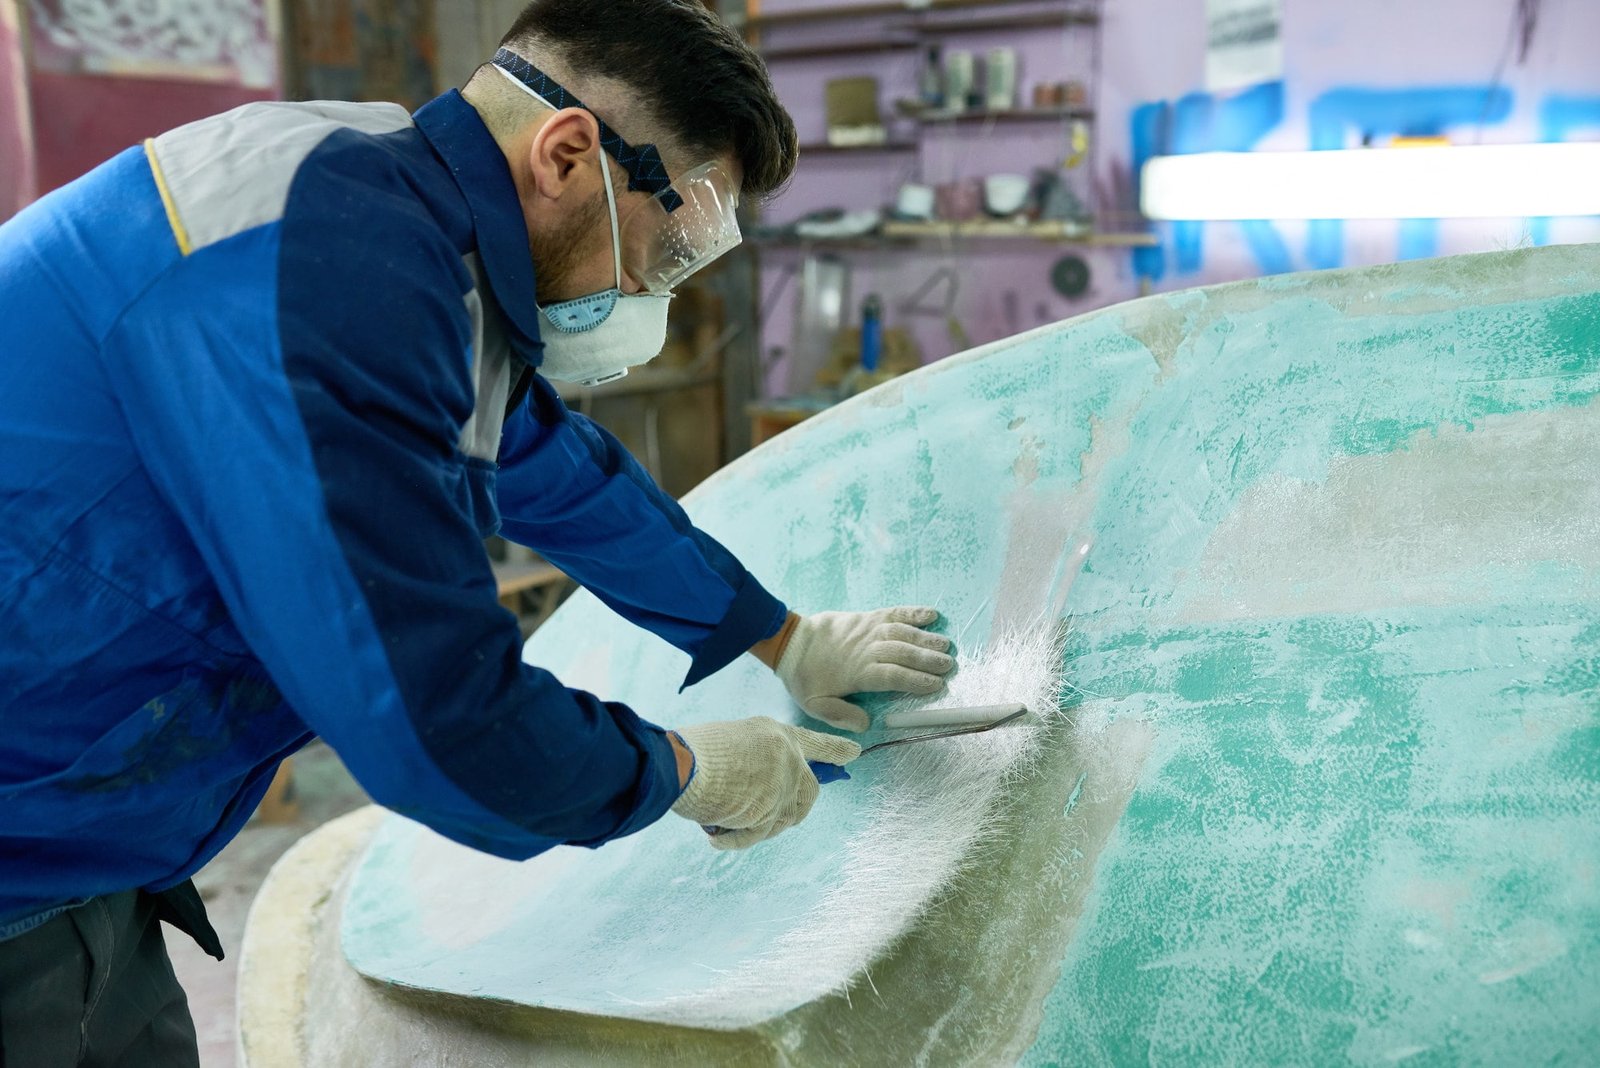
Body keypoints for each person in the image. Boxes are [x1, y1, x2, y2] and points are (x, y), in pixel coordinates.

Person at [0, 0, 958, 1062]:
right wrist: (684, 771)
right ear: (566, 152)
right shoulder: (320, 260)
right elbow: (435, 722)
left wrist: (781, 636)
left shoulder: (398, 229)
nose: (652, 289)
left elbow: (557, 471)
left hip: (85, 863)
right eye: (670, 243)